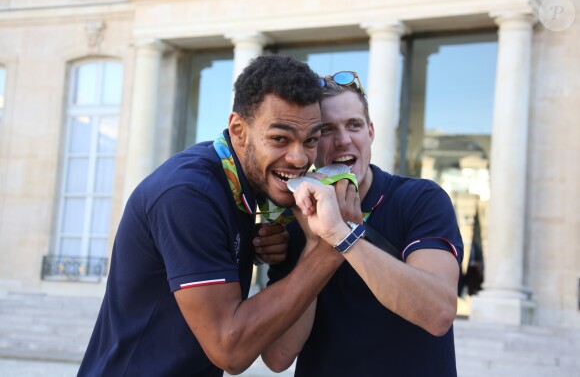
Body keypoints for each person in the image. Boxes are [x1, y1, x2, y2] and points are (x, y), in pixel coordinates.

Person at [77, 55, 345, 376]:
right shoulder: (189, 194)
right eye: (279, 139)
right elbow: (229, 350)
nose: (300, 157)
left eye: (311, 140)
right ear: (238, 129)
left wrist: (262, 248)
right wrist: (332, 246)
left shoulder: (238, 184)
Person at [261, 73, 464, 376]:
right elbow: (277, 357)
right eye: (327, 129)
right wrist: (316, 244)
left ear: (370, 132)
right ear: (312, 144)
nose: (343, 139)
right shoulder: (296, 219)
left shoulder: (420, 199)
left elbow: (438, 314)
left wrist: (341, 235)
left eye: (354, 125)